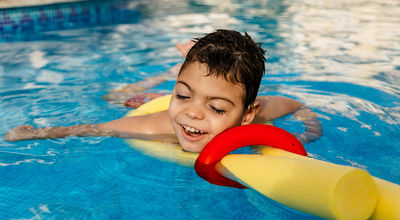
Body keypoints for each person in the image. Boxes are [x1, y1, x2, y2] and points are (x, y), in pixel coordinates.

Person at [3, 29, 322, 152]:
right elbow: (94, 128)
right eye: (183, 95)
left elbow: (296, 104)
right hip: (150, 102)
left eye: (218, 108)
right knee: (114, 99)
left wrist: (309, 133)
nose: (193, 112)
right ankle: (171, 73)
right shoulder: (159, 127)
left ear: (247, 114)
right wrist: (38, 133)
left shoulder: (262, 112)